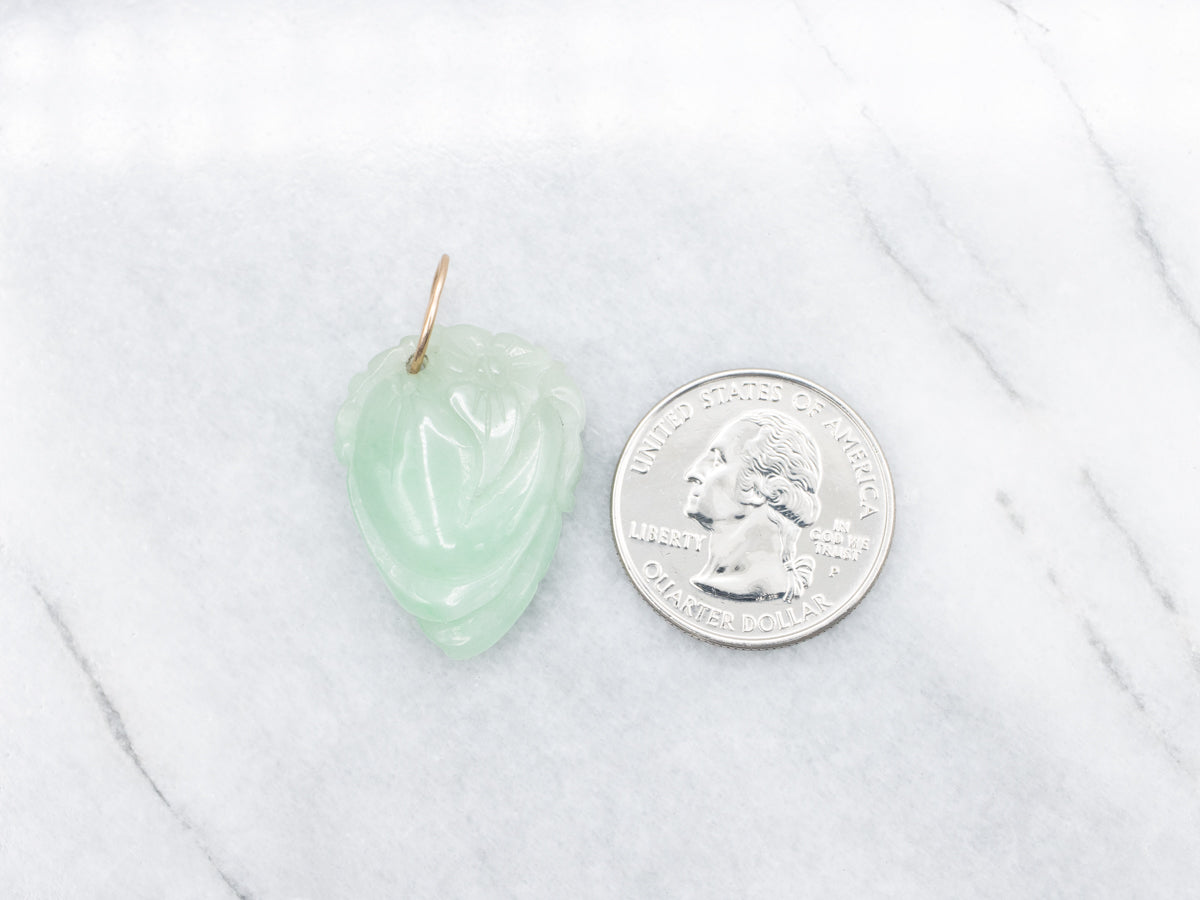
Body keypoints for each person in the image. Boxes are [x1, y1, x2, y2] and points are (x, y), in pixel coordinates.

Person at [683, 410, 822, 602]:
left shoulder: (760, 586)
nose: (693, 473)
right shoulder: (711, 580)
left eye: (718, 461)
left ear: (760, 489)